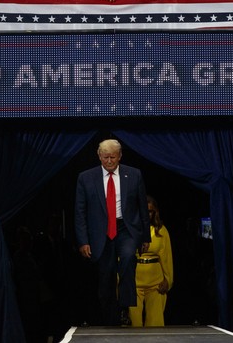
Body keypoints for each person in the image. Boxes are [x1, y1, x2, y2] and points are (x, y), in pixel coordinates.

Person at [75, 139, 150, 326]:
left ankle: (125, 305)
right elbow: (80, 212)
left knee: (127, 258)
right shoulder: (85, 178)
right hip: (100, 232)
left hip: (126, 228)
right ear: (99, 156)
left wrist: (146, 237)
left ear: (120, 156)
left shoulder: (133, 175)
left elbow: (142, 207)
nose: (109, 161)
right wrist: (83, 241)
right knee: (106, 277)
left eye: (113, 157)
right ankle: (112, 320)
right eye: (106, 157)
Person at [129, 195, 173, 328]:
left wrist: (168, 280)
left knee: (155, 325)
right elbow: (121, 258)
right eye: (143, 210)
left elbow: (167, 258)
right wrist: (121, 281)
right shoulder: (129, 230)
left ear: (154, 212)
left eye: (150, 211)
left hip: (155, 284)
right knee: (134, 325)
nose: (146, 213)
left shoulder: (161, 231)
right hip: (133, 282)